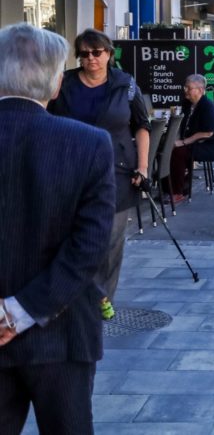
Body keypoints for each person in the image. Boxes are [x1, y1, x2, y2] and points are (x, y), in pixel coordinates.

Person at [0, 23, 116, 434]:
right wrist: (20, 312)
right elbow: (90, 246)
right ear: (55, 84)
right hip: (62, 331)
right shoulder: (89, 144)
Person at [48, 29, 151, 322]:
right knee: (76, 237)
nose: (91, 59)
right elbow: (46, 119)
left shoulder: (125, 84)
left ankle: (103, 297)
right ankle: (85, 294)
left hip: (117, 171)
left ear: (109, 53)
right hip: (72, 171)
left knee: (111, 240)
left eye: (97, 52)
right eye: (84, 54)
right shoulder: (64, 83)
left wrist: (143, 167)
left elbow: (142, 126)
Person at [168, 75, 214, 202]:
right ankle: (169, 187)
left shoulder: (207, 106)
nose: (185, 90)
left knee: (179, 152)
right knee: (168, 148)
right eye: (185, 87)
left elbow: (207, 133)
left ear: (201, 90)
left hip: (210, 145)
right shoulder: (187, 104)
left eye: (189, 88)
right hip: (195, 143)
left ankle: (178, 192)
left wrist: (183, 142)